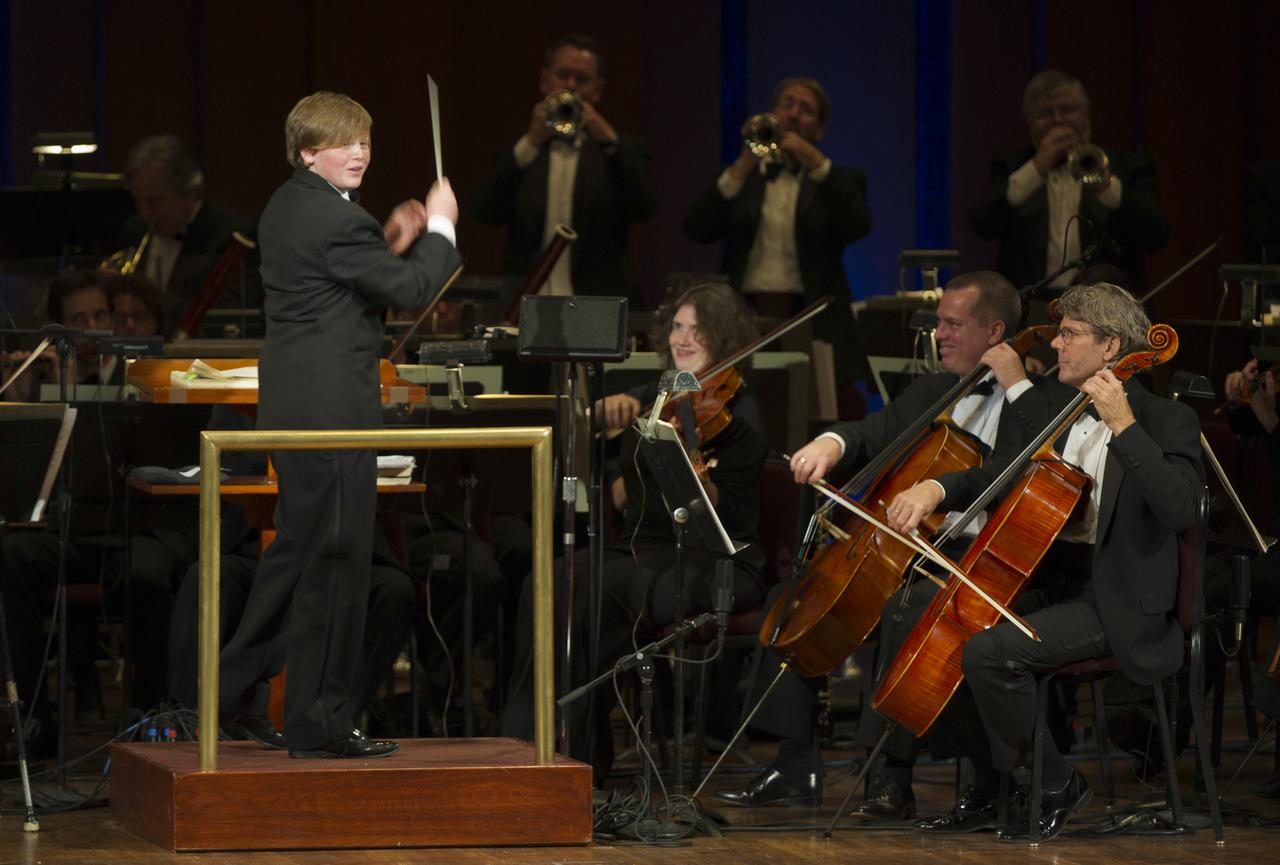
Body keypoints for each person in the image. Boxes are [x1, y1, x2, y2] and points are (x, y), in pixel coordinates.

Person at [892, 282, 1203, 842]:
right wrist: (937, 488)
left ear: (1111, 347)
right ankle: (995, 788)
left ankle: (1054, 781)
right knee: (927, 614)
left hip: (1116, 596)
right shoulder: (1062, 411)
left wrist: (1122, 423)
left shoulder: (1162, 420)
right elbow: (1004, 475)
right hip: (1057, 580)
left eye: (1069, 334)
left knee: (989, 650)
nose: (1054, 345)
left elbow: (1182, 506)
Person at [715, 271, 1033, 811]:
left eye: (954, 325)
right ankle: (794, 764)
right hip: (901, 547)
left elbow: (1014, 477)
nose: (941, 336)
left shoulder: (1034, 402)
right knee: (791, 598)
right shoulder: (933, 389)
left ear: (995, 331)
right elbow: (874, 430)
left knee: (902, 610)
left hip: (971, 560)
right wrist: (831, 443)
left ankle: (890, 773)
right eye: (939, 324)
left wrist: (1014, 386)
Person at [216, 91, 461, 759]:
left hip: (296, 404)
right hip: (332, 412)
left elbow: (335, 282)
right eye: (342, 143)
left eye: (364, 141)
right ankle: (320, 721)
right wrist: (441, 229)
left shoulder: (288, 204)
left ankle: (230, 689)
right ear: (306, 151)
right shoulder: (336, 221)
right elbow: (409, 292)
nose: (359, 152)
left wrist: (389, 242)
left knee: (298, 550)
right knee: (337, 561)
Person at [498, 281, 768, 774]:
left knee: (592, 594)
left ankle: (570, 757)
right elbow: (607, 416)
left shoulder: (740, 416)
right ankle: (531, 745)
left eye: (699, 331)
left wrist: (694, 478)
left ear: (725, 341)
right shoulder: (663, 392)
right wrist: (612, 407)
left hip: (716, 560)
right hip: (646, 550)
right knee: (550, 579)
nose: (683, 340)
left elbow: (720, 517)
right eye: (679, 327)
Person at [682, 76, 872, 391]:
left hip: (812, 318)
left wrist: (815, 162)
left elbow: (858, 225)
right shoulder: (743, 178)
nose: (794, 114)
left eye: (806, 109)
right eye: (787, 104)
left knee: (813, 411)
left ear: (820, 129)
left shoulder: (839, 181)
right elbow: (698, 228)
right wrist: (742, 166)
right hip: (744, 315)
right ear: (772, 113)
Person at [471, 33, 655, 310]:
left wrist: (609, 141)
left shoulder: (620, 152)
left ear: (598, 90)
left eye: (582, 79)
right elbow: (485, 211)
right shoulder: (518, 154)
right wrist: (530, 143)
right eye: (563, 75)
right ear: (545, 81)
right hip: (527, 304)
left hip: (596, 305)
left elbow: (644, 208)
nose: (571, 85)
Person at [969, 70, 1168, 292]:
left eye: (1068, 110)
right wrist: (1036, 169)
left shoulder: (1129, 166)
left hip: (1107, 308)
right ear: (1029, 121)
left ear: (1086, 113)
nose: (1058, 120)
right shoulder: (1011, 165)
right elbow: (982, 224)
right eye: (1045, 113)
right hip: (1033, 305)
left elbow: (1155, 236)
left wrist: (1105, 183)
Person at [117, 134, 259, 336]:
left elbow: (230, 317)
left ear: (190, 193)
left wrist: (151, 299)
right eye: (138, 200)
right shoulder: (134, 229)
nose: (144, 212)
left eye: (155, 201)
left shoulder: (234, 236)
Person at [2, 270, 119, 403]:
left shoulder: (135, 376)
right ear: (57, 328)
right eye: (78, 319)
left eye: (99, 316)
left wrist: (69, 395)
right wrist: (17, 403)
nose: (92, 328)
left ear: (113, 320)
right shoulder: (39, 385)